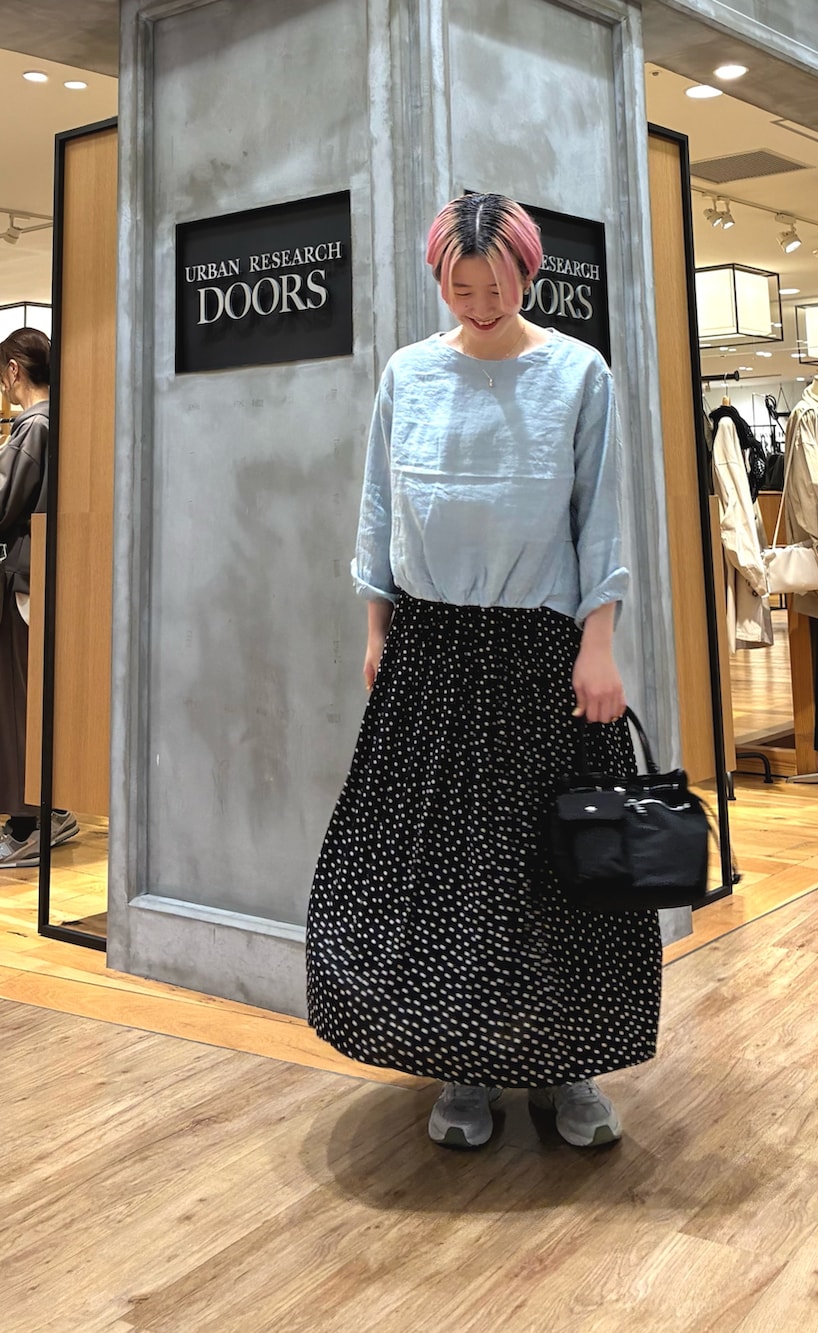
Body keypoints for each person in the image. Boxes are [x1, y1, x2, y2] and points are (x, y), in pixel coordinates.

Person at [306, 194, 661, 1149]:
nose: (480, 304)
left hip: (543, 649)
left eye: (495, 286)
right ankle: (461, 1062)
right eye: (460, 289)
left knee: (560, 864)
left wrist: (599, 642)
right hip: (429, 646)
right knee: (440, 867)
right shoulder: (408, 373)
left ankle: (568, 1065)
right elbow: (380, 507)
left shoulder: (578, 372)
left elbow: (601, 521)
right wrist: (377, 627)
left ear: (528, 274)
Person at [0, 329, 78, 867]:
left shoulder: (33, 425)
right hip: (48, 578)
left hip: (26, 579)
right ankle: (51, 808)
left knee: (21, 703)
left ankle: (28, 823)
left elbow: (4, 503)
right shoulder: (64, 420)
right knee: (41, 699)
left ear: (13, 370)